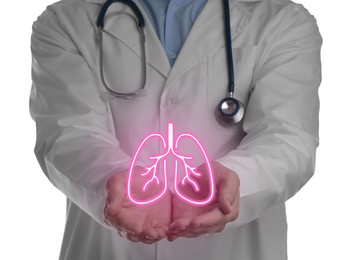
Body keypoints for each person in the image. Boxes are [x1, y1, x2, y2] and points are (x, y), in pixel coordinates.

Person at [29, 0, 322, 259]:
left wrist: (239, 182)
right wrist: (112, 181)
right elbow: (67, 132)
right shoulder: (66, 20)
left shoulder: (283, 20)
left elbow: (289, 137)